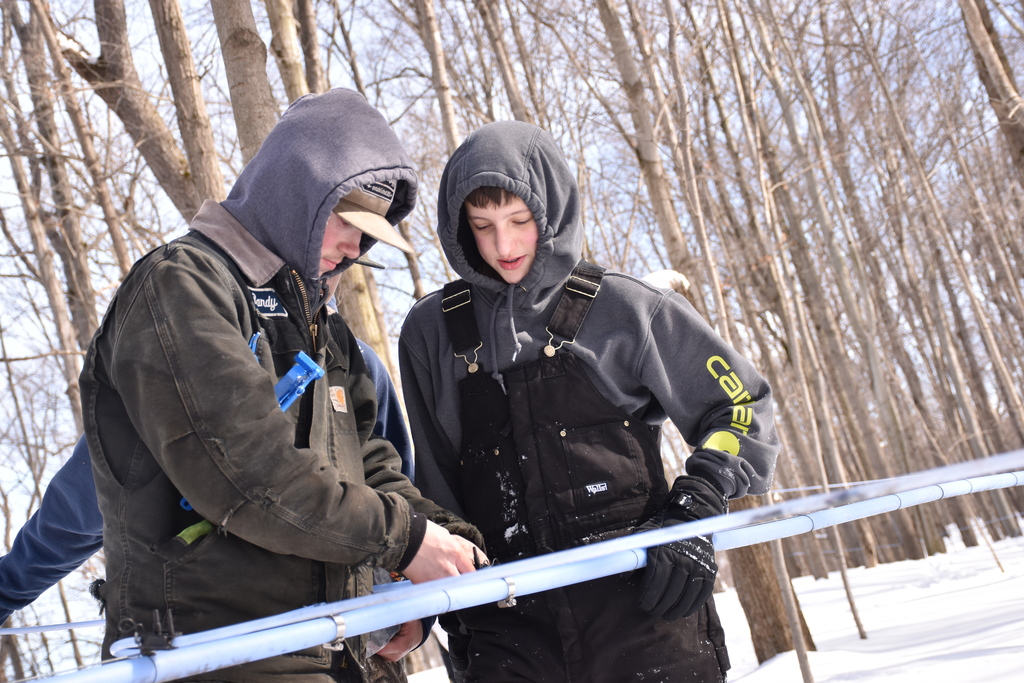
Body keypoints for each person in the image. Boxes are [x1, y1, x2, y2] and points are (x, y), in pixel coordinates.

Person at [79, 88, 485, 682]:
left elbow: (371, 463)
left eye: (370, 235)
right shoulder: (181, 288)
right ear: (299, 193)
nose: (356, 249)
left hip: (344, 640)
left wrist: (439, 548)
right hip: (220, 649)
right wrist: (404, 542)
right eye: (347, 224)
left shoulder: (322, 325)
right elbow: (245, 474)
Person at [399, 120, 780, 682]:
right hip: (507, 637)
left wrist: (697, 507)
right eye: (482, 227)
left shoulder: (626, 309)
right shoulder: (432, 333)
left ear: (550, 214)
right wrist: (445, 606)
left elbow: (742, 406)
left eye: (519, 222)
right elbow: (433, 484)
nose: (503, 246)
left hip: (646, 617)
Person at [0, 341, 411, 628]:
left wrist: (408, 595)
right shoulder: (171, 365)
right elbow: (74, 515)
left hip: (344, 634)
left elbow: (393, 485)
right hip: (198, 636)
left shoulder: (356, 364)